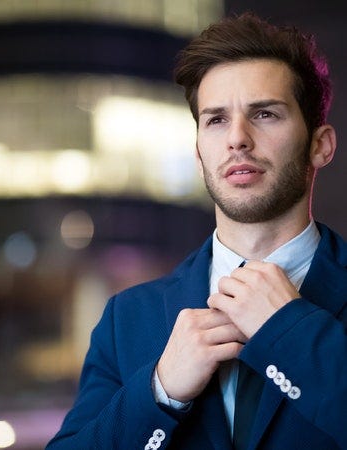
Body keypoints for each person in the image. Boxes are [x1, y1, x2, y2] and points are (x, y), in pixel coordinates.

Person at [47, 13, 346, 450]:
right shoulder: (125, 320)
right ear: (199, 153)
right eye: (216, 120)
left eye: (264, 114)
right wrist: (160, 392)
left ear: (320, 145)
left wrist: (291, 333)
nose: (238, 139)